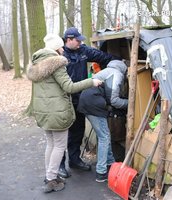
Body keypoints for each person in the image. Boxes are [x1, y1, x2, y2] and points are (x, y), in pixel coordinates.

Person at [26, 33, 102, 193]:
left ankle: (50, 175)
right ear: (55, 47)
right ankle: (51, 179)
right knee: (59, 145)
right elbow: (69, 87)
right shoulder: (56, 63)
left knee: (51, 143)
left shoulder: (37, 64)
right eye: (60, 46)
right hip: (57, 111)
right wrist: (91, 82)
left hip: (43, 111)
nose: (62, 49)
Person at [59, 27, 121, 177]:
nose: (80, 42)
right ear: (69, 39)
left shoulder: (83, 51)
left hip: (79, 99)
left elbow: (104, 57)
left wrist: (118, 63)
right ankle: (59, 166)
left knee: (78, 131)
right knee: (61, 135)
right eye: (77, 40)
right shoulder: (59, 54)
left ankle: (74, 160)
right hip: (64, 100)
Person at [77, 60, 128, 182]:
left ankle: (110, 163)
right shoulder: (117, 74)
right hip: (94, 104)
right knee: (104, 137)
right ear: (123, 69)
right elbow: (114, 100)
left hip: (86, 102)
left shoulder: (105, 71)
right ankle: (101, 172)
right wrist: (130, 103)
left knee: (103, 135)